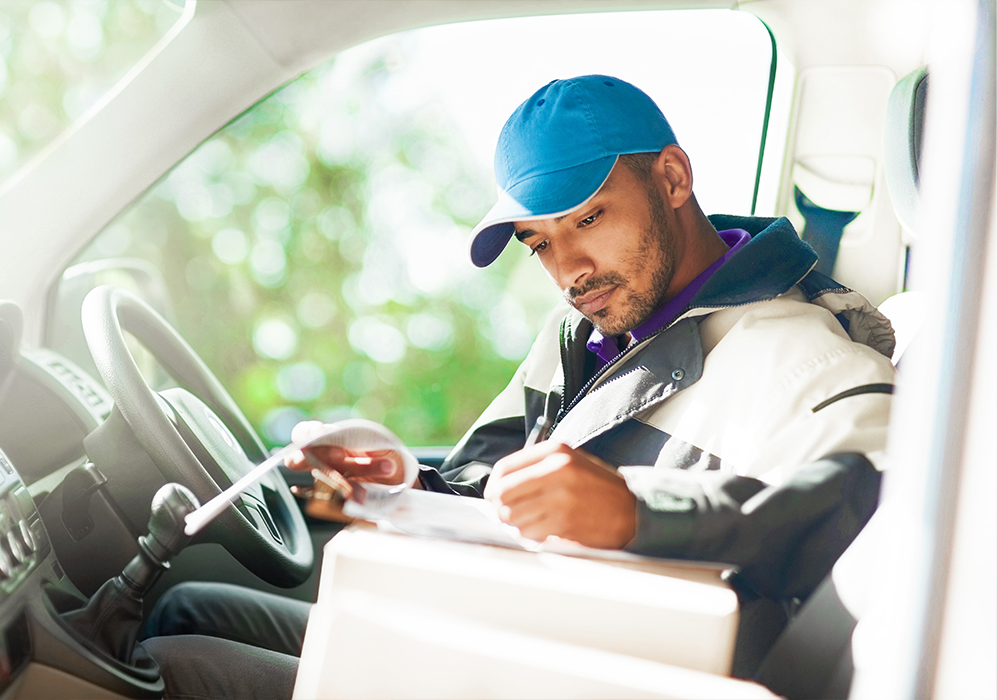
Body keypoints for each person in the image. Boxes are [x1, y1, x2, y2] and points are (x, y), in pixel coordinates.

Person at [143, 74, 896, 696]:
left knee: (178, 671)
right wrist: (397, 485)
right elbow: (482, 489)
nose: (568, 271)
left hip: (605, 668)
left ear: (672, 177)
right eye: (539, 242)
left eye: (588, 218)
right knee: (185, 608)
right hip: (509, 618)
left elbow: (870, 507)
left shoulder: (798, 350)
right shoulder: (579, 337)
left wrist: (638, 511)